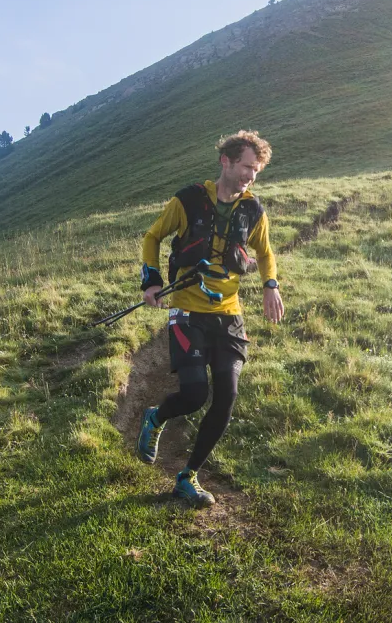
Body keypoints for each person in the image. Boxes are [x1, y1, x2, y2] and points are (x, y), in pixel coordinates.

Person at [136, 130, 285, 507]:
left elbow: (265, 253)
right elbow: (153, 238)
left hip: (229, 316)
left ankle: (188, 477)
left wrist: (271, 284)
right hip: (187, 312)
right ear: (226, 161)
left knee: (227, 397)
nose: (252, 175)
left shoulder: (253, 210)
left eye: (258, 169)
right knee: (194, 395)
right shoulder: (187, 200)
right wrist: (151, 280)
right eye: (248, 166)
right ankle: (156, 417)